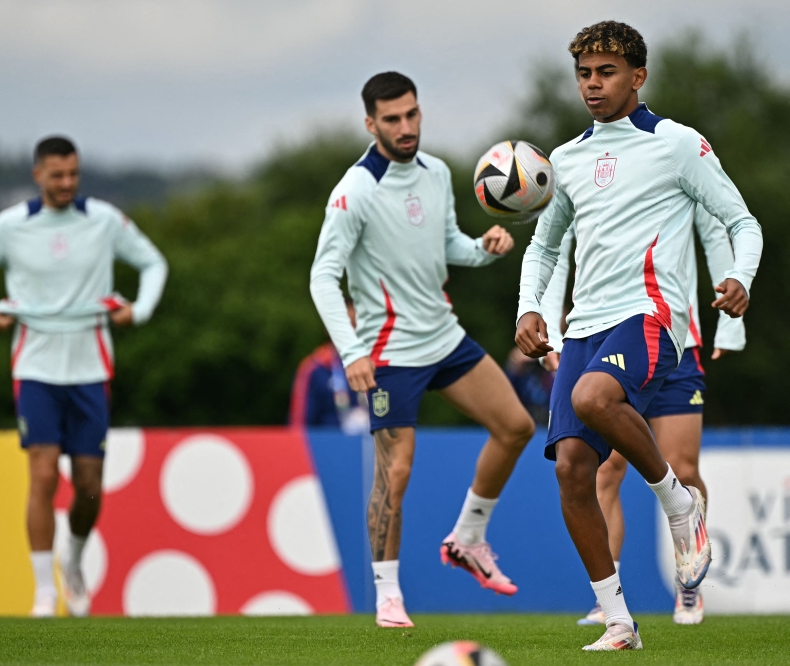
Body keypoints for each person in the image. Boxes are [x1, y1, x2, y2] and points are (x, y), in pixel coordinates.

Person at [515, 21, 762, 651]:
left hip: (651, 314)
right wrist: (529, 309)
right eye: (584, 74)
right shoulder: (565, 159)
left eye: (606, 72)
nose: (593, 85)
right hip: (583, 327)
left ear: (638, 76)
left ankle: (679, 504)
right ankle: (619, 622)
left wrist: (739, 277)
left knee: (593, 398)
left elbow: (742, 222)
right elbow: (544, 247)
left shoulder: (676, 143)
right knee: (572, 470)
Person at [310, 71, 536, 629]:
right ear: (371, 124)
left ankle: (467, 539)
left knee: (516, 427)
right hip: (388, 352)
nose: (406, 126)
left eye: (411, 114)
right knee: (397, 471)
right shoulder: (355, 191)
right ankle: (388, 596)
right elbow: (322, 277)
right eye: (392, 119)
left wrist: (483, 248)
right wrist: (352, 351)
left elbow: (445, 243)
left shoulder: (435, 172)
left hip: (444, 337)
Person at [0, 136, 168, 617]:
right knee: (44, 474)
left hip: (91, 368)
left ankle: (72, 558)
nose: (67, 183)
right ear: (38, 175)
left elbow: (153, 262)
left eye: (73, 174)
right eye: (57, 175)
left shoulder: (104, 220)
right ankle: (44, 593)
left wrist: (139, 309)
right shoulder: (11, 226)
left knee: (89, 486)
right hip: (35, 368)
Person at [543, 210, 746, 627]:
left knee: (683, 467)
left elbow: (716, 230)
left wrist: (731, 326)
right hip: (606, 338)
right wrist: (550, 326)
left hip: (673, 339)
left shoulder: (669, 172)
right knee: (605, 471)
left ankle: (688, 582)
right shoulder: (582, 178)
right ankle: (609, 600)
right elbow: (554, 248)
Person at [289, 299, 369, 434]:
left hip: (371, 444)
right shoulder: (314, 368)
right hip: (325, 444)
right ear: (328, 328)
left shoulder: (377, 365)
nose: (350, 333)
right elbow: (298, 424)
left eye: (355, 326)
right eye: (344, 327)